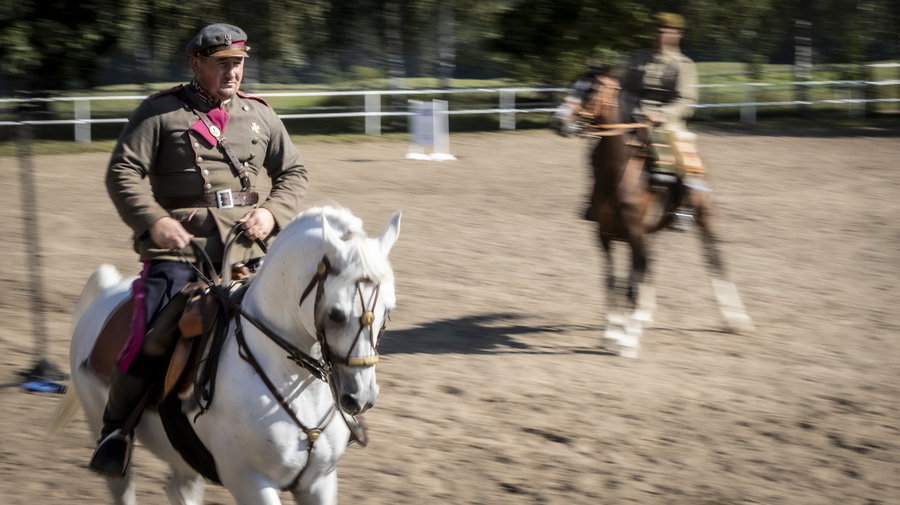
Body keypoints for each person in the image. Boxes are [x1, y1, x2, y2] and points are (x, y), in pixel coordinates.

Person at [90, 23, 309, 477]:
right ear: (196, 64)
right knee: (150, 337)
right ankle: (116, 431)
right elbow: (122, 174)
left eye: (239, 63)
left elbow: (293, 173)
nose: (233, 72)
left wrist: (271, 213)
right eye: (222, 64)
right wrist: (156, 221)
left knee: (307, 319)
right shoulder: (160, 113)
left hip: (249, 248)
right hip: (183, 252)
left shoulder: (260, 115)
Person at [619, 12, 702, 179]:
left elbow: (686, 100)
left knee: (675, 168)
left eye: (667, 31)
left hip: (665, 124)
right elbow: (623, 89)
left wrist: (663, 114)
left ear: (679, 34)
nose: (661, 35)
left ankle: (691, 195)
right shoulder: (636, 59)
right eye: (658, 31)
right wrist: (627, 110)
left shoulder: (683, 65)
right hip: (631, 116)